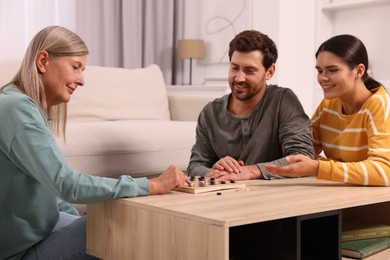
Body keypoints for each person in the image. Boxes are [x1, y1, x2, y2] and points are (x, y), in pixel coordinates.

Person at [0, 26, 191, 260]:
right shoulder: (18, 110)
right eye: (75, 67)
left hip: (41, 230)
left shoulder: (20, 104)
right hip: (20, 251)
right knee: (127, 223)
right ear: (42, 61)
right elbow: (67, 184)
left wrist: (76, 221)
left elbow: (49, 188)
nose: (81, 80)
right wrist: (151, 185)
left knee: (111, 219)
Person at [186, 30, 314, 180]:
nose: (239, 78)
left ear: (269, 72)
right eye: (235, 68)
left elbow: (302, 158)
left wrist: (250, 171)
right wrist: (214, 172)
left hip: (272, 197)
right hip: (225, 196)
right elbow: (195, 165)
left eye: (249, 70)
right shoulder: (210, 112)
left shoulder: (283, 100)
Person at [265, 34, 390, 186]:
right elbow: (304, 151)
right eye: (319, 71)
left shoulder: (378, 105)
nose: (322, 78)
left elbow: (384, 172)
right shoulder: (328, 105)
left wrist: (318, 168)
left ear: (359, 71)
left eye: (332, 70)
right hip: (343, 195)